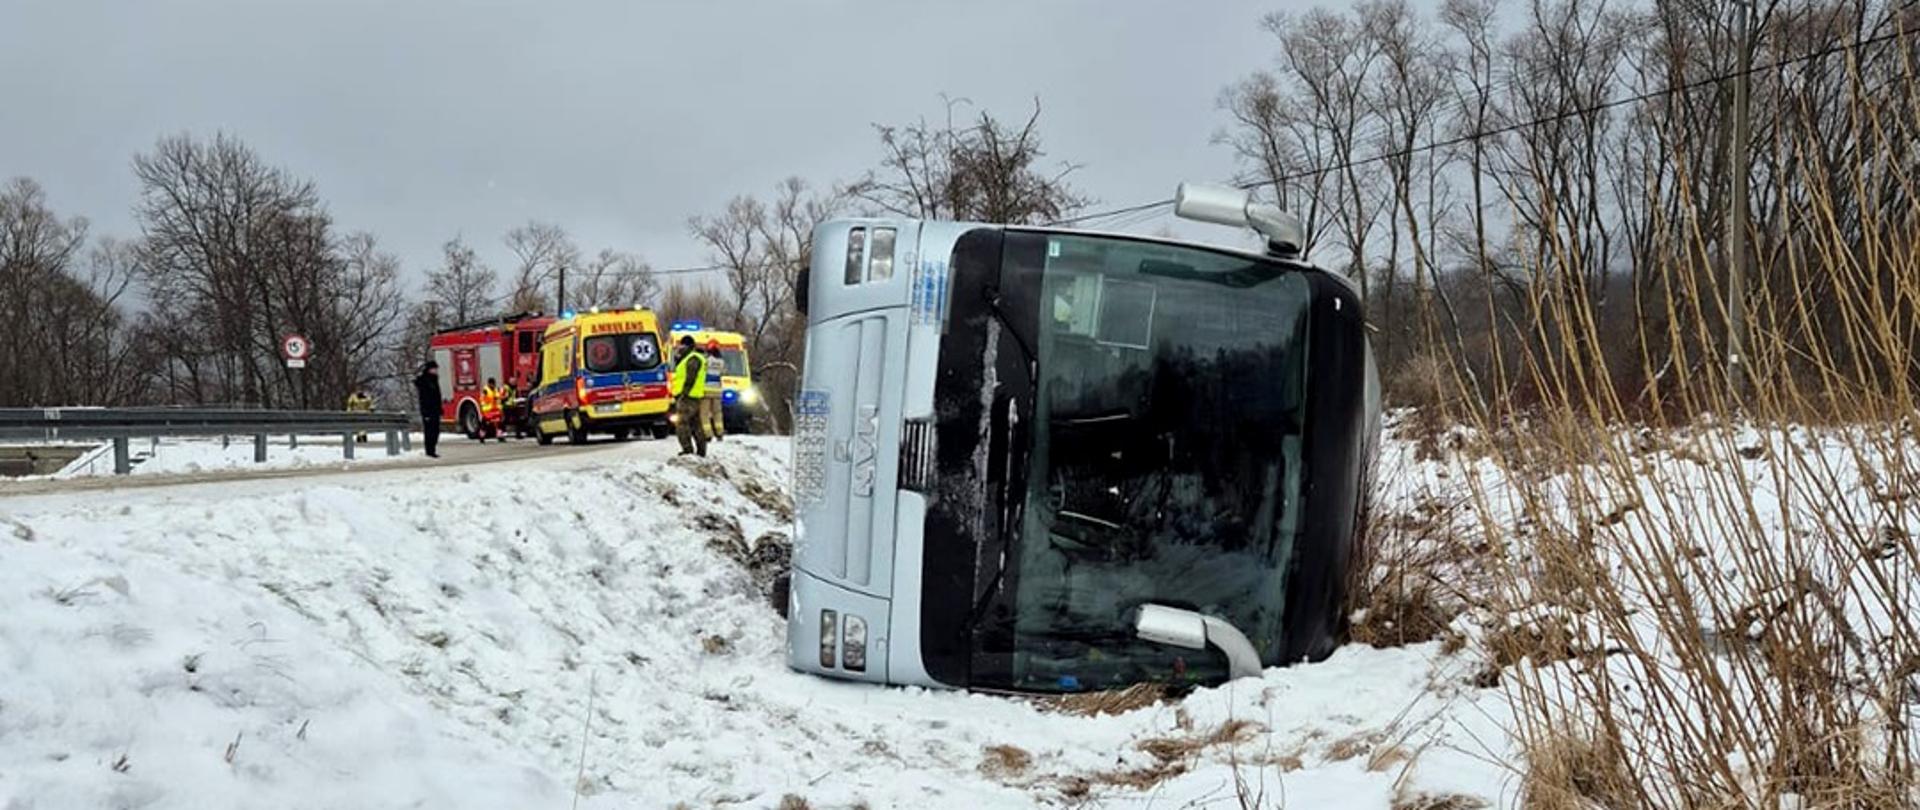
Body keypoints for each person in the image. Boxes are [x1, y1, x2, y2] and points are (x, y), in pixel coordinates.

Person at [671, 335, 709, 457]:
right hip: (693, 396)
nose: (680, 348)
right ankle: (701, 451)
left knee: (682, 423)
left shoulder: (693, 359)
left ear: (687, 346)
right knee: (696, 424)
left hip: (688, 397)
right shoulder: (690, 358)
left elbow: (690, 378)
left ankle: (687, 450)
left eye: (682, 345)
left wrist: (684, 394)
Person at [414, 361, 443, 458]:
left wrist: (440, 408)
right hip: (428, 410)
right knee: (429, 431)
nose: (436, 370)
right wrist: (425, 412)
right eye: (434, 369)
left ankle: (433, 448)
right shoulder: (424, 381)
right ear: (429, 369)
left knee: (436, 430)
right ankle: (429, 450)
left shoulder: (434, 380)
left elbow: (437, 396)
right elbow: (424, 398)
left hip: (435, 410)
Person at [702, 341, 726, 443]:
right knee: (717, 413)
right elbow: (723, 372)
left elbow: (702, 372)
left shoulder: (706, 360)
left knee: (704, 414)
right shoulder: (721, 362)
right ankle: (719, 433)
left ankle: (708, 434)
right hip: (717, 391)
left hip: (706, 390)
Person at [479, 377, 504, 441]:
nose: (493, 385)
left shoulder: (496, 390)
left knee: (498, 423)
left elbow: (499, 397)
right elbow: (482, 400)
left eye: (494, 384)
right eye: (492, 384)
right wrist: (484, 408)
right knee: (484, 424)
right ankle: (482, 436)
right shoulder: (485, 391)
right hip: (488, 410)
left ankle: (500, 436)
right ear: (489, 384)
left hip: (495, 410)